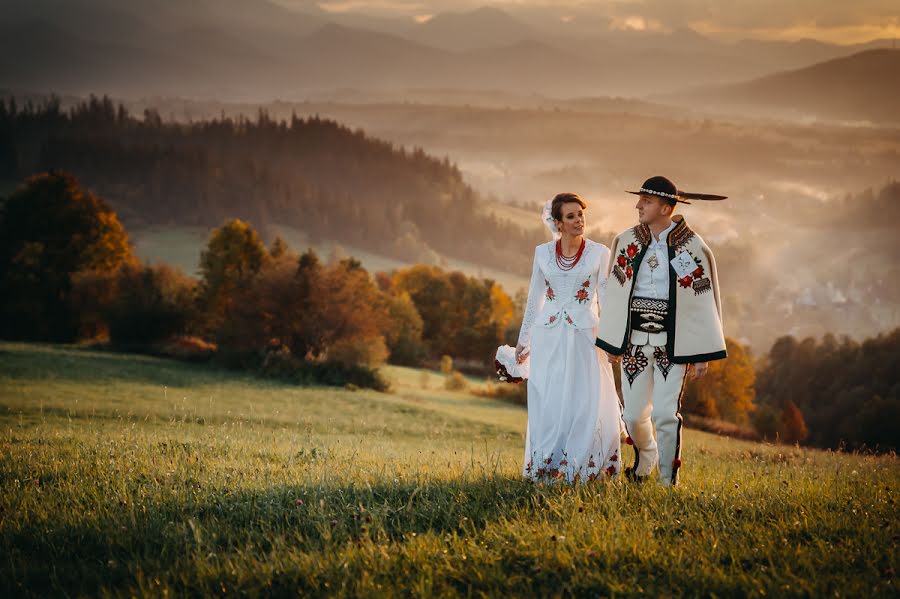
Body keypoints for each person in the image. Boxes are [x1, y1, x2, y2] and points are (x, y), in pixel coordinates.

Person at [596, 176, 728, 487]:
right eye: (640, 199)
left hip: (674, 344)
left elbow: (702, 298)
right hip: (634, 344)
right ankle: (647, 456)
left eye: (647, 201)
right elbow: (614, 294)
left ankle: (669, 481)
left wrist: (701, 354)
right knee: (632, 417)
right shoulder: (626, 241)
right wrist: (614, 340)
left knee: (666, 415)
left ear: (666, 208)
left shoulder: (692, 247)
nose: (638, 205)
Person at [515, 192, 621, 483]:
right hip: (548, 336)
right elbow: (533, 299)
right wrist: (524, 341)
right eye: (571, 216)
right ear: (558, 223)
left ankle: (583, 469)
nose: (578, 221)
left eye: (581, 215)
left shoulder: (599, 252)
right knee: (550, 400)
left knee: (585, 400)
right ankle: (547, 467)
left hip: (586, 337)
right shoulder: (542, 253)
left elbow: (607, 299)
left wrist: (613, 341)